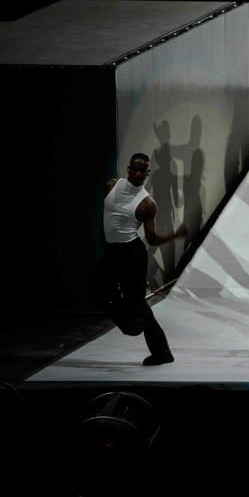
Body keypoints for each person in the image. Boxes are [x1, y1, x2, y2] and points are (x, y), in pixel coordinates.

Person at [96, 153, 188, 366]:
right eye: (134, 169)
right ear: (128, 169)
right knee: (95, 287)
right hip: (112, 251)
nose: (138, 174)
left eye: (142, 171)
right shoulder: (110, 186)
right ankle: (129, 323)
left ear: (147, 174)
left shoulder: (147, 204)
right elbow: (108, 215)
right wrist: (104, 240)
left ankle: (162, 351)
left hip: (131, 254)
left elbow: (152, 238)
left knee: (137, 303)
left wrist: (174, 236)